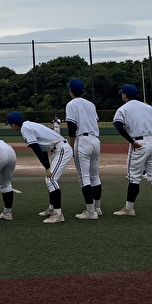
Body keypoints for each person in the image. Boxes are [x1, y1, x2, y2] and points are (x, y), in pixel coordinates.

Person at [6, 110, 71, 223]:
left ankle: (58, 214)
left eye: (10, 125)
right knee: (50, 179)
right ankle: (52, 209)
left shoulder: (25, 128)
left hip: (62, 150)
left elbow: (36, 148)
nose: (11, 127)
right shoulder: (29, 124)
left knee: (51, 179)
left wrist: (47, 167)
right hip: (58, 149)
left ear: (14, 124)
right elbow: (42, 149)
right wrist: (47, 166)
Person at [112, 84, 152, 217]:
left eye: (122, 94)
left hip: (139, 143)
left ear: (125, 95)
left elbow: (118, 125)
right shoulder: (148, 107)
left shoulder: (123, 109)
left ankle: (129, 208)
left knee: (134, 177)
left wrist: (131, 142)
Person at [64, 79, 102, 220]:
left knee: (84, 176)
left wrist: (72, 142)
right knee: (95, 176)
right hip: (95, 140)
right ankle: (97, 207)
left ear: (70, 90)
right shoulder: (90, 104)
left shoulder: (71, 104)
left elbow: (71, 126)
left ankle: (90, 211)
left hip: (82, 140)